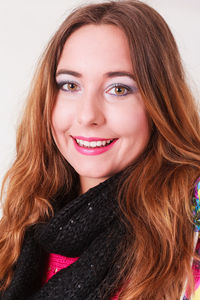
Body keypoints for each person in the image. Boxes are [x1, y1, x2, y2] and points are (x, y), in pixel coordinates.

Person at [0, 0, 200, 299]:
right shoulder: (21, 221)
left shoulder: (190, 225)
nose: (87, 116)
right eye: (69, 85)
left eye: (118, 89)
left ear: (159, 102)